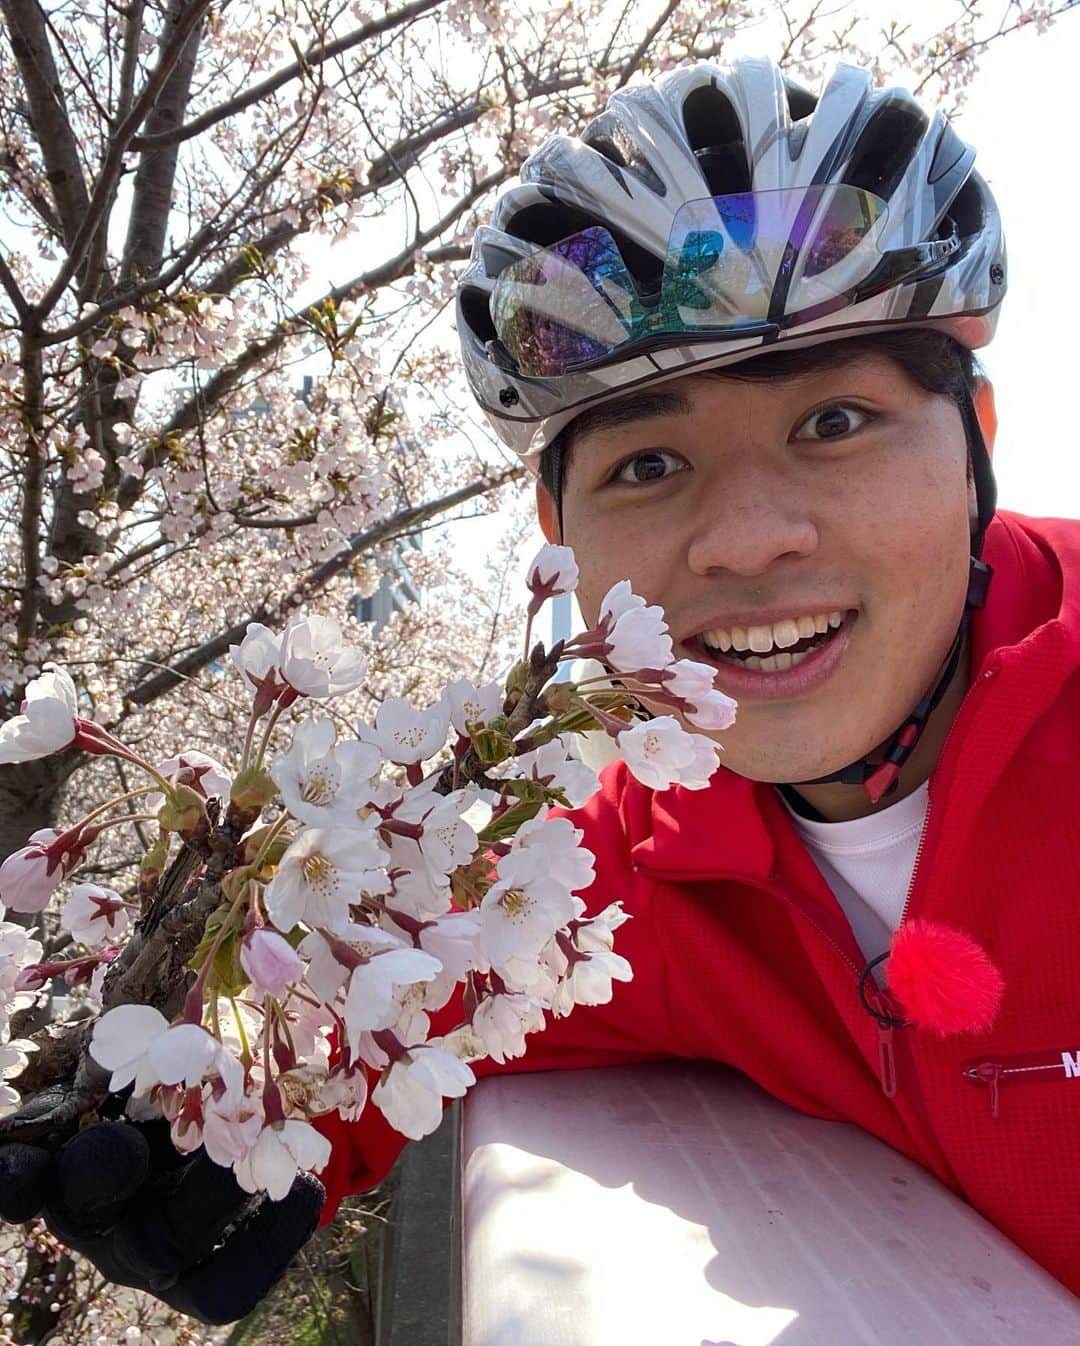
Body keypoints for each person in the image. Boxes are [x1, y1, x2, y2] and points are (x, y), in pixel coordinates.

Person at [4, 55, 1079, 1321]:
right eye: (650, 461)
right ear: (555, 531)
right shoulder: (608, 875)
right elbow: (371, 1001)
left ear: (979, 449)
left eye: (835, 421)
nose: (744, 538)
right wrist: (199, 1149)